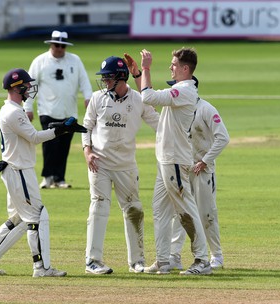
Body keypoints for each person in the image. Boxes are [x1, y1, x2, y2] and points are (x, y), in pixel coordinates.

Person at [0, 68, 86, 278]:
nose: (30, 88)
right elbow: (34, 137)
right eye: (27, 85)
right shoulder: (13, 112)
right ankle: (41, 268)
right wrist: (61, 130)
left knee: (20, 218)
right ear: (18, 87)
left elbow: (29, 136)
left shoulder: (10, 109)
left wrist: (59, 127)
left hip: (16, 170)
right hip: (19, 171)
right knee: (37, 215)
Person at [82, 56, 160, 274]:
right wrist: (87, 152)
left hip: (126, 165)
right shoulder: (98, 98)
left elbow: (158, 122)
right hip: (100, 163)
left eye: (109, 77)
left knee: (134, 210)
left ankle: (137, 262)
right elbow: (86, 127)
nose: (105, 81)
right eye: (104, 77)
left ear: (121, 77)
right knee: (98, 207)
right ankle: (92, 261)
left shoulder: (138, 100)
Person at [139, 48, 212, 275]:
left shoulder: (185, 91)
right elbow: (148, 100)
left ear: (185, 69)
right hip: (165, 160)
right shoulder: (179, 90)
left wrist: (146, 68)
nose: (170, 67)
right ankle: (163, 260)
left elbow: (148, 96)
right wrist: (138, 75)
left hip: (175, 160)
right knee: (159, 210)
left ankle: (202, 260)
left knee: (186, 209)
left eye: (173, 64)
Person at [169, 76, 230, 271]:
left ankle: (216, 256)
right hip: (183, 169)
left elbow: (223, 138)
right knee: (180, 213)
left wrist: (205, 161)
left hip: (203, 171)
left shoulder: (206, 109)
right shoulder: (177, 112)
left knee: (206, 213)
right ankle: (174, 256)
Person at [24, 30, 93, 189]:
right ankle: (47, 177)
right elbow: (31, 86)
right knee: (49, 145)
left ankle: (59, 178)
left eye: (63, 45)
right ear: (51, 44)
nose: (59, 48)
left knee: (64, 146)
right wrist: (27, 107)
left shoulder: (75, 60)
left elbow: (84, 81)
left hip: (69, 112)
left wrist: (89, 97)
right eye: (57, 45)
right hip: (47, 111)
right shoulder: (40, 61)